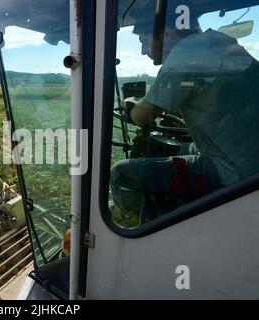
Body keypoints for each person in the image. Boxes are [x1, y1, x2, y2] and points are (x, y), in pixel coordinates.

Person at [111, 1, 259, 222]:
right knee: (172, 148)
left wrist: (131, 106)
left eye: (144, 40)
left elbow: (144, 116)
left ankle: (143, 236)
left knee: (120, 172)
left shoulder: (183, 56)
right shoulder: (219, 42)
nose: (143, 50)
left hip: (233, 174)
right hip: (250, 160)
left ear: (169, 34)